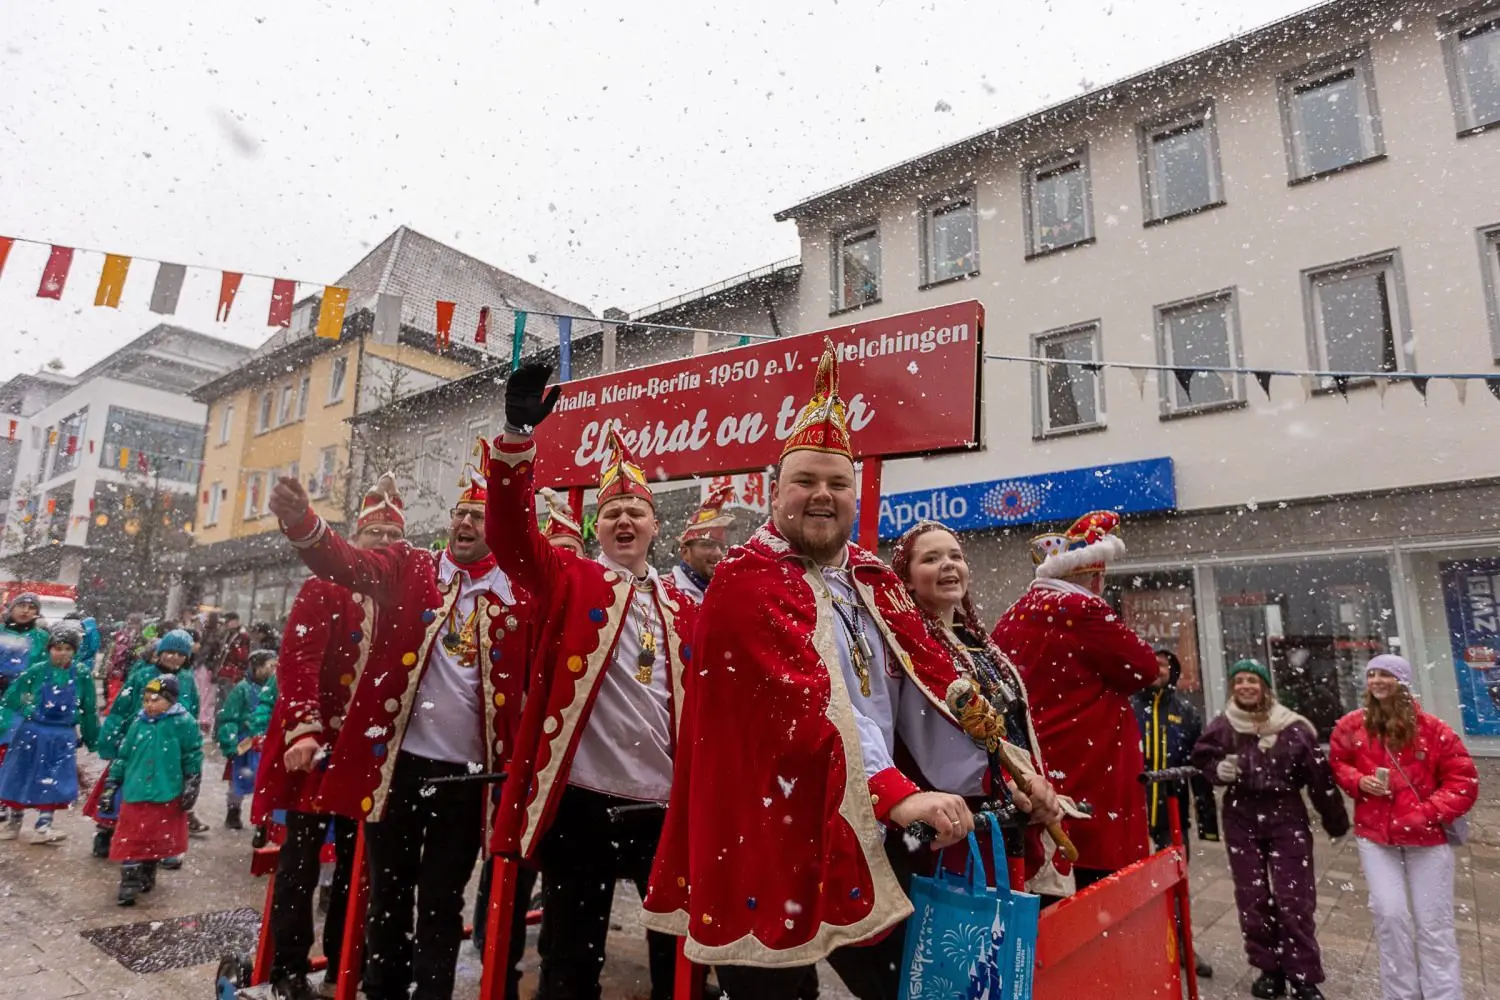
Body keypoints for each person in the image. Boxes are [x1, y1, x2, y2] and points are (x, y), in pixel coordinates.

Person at [640, 343, 1030, 998]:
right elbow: (801, 713)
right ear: (775, 493)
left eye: (837, 482)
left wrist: (1004, 772)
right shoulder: (744, 583)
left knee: (907, 984)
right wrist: (897, 793)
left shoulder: (872, 579)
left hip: (868, 829)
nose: (823, 495)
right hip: (768, 836)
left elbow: (936, 690)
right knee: (781, 987)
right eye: (806, 481)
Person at [267, 466, 533, 1000]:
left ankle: (429, 992)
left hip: (467, 780)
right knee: (384, 890)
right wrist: (303, 523)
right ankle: (365, 984)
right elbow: (342, 562)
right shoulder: (414, 568)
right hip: (396, 768)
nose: (463, 521)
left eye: (477, 515)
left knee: (441, 901)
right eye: (459, 512)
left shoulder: (517, 595)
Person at [491, 383, 700, 1000]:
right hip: (581, 805)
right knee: (571, 961)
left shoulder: (684, 607)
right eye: (612, 513)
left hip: (664, 808)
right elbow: (510, 536)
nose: (625, 520)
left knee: (677, 961)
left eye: (636, 512)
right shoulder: (568, 579)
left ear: (656, 526)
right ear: (597, 527)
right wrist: (516, 439)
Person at [253, 477, 406, 1000]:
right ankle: (288, 969)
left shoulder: (401, 596)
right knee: (298, 865)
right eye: (374, 531)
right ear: (356, 539)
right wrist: (305, 727)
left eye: (392, 532)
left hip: (364, 757)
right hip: (315, 753)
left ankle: (346, 959)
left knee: (355, 865)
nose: (383, 540)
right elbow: (298, 661)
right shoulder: (325, 586)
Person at [890, 521, 1068, 886]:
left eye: (956, 556)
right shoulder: (911, 649)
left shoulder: (976, 642)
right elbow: (935, 745)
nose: (948, 565)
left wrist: (1036, 784)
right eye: (931, 559)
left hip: (1011, 809)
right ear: (906, 580)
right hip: (963, 824)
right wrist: (1011, 784)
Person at [991, 511, 1158, 889]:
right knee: (1100, 881)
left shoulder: (1013, 614)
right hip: (1091, 768)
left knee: (1053, 878)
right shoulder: (1083, 610)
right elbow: (1144, 668)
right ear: (1094, 577)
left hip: (1037, 764)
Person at [1193, 660, 1349, 1000]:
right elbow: (1201, 761)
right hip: (1240, 818)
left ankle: (1304, 976)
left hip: (1286, 818)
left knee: (1294, 898)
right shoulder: (1223, 727)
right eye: (1239, 681)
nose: (1245, 686)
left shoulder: (1293, 728)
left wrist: (1335, 821)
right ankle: (1270, 969)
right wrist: (1218, 770)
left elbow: (1320, 780)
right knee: (1253, 898)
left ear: (1265, 687)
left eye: (1252, 680)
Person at [1330, 654, 1479, 1000]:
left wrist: (1426, 812)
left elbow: (1463, 781)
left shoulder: (1434, 730)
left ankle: (1444, 994)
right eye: (1372, 675)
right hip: (1376, 838)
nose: (1377, 681)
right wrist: (1359, 781)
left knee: (1433, 924)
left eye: (1386, 675)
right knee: (1390, 916)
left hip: (1428, 840)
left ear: (1403, 681)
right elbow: (1338, 763)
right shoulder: (1351, 726)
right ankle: (1400, 995)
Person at [1132, 648, 1218, 980]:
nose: (1158, 670)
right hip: (1135, 811)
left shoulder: (1185, 712)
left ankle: (1182, 946)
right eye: (1152, 664)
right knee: (1134, 886)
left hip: (1173, 813)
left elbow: (1202, 768)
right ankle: (1140, 944)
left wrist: (1208, 823)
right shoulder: (1127, 707)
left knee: (1176, 883)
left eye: (1165, 665)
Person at [103, 674, 203, 906]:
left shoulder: (183, 722)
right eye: (146, 700)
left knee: (157, 836)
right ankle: (129, 880)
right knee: (131, 837)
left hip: (166, 789)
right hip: (136, 791)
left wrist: (192, 780)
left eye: (155, 700)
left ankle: (148, 868)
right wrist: (112, 782)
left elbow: (192, 753)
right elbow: (125, 754)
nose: (149, 705)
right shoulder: (138, 723)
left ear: (170, 700)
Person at [0, 623, 99, 844]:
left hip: (62, 736)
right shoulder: (36, 671)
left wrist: (93, 737)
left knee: (53, 780)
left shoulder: (81, 674)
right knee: (19, 775)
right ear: (49, 649)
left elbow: (89, 708)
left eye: (67, 649)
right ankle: (14, 822)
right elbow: (12, 698)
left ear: (75, 651)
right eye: (57, 648)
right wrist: (24, 710)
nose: (62, 653)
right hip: (31, 733)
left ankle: (44, 826)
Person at [217, 648, 276, 832]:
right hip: (246, 742)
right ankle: (233, 812)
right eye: (270, 665)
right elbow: (229, 718)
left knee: (267, 782)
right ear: (257, 667)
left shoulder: (275, 687)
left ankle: (264, 819)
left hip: (267, 741)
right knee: (238, 780)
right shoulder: (241, 689)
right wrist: (231, 741)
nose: (274, 670)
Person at [670, 482, 735, 603]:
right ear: (685, 552)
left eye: (721, 546)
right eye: (707, 544)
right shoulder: (663, 592)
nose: (718, 553)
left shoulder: (728, 593)